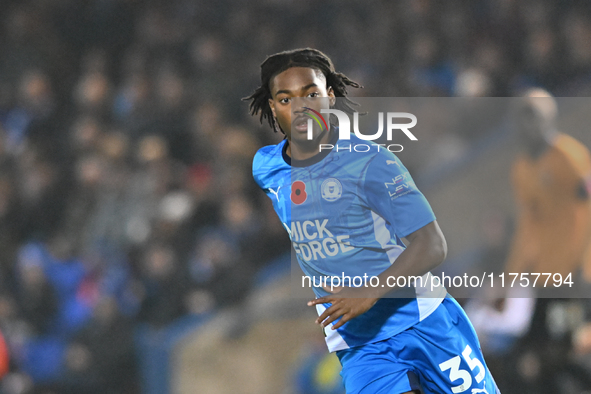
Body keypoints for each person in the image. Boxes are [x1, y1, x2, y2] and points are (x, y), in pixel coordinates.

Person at [246, 48, 500, 394]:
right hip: (361, 346)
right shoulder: (266, 168)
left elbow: (433, 244)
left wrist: (368, 292)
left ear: (330, 97)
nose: (301, 107)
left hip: (423, 321)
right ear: (274, 108)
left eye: (311, 94)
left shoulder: (370, 162)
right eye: (286, 98)